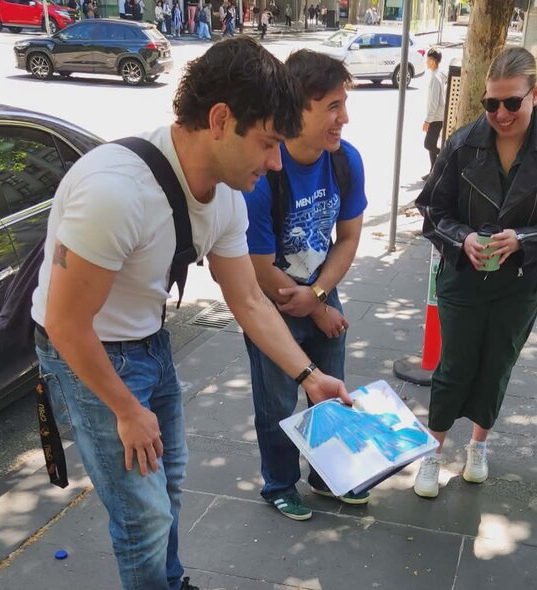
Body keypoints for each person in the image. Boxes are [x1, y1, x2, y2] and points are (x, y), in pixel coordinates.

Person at [31, 37, 351, 590]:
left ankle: (170, 582)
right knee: (143, 513)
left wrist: (310, 375)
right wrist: (127, 409)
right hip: (89, 353)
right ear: (221, 120)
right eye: (269, 144)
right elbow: (64, 325)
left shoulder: (226, 196)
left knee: (169, 486)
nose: (276, 163)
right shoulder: (115, 191)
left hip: (148, 340)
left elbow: (249, 299)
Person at [413, 46, 537, 498]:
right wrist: (463, 238)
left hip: (520, 281)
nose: (501, 113)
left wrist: (523, 240)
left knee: (497, 364)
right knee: (453, 366)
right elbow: (432, 208)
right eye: (492, 103)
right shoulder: (464, 141)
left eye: (512, 102)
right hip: (462, 276)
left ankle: (478, 446)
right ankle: (432, 453)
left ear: (536, 93)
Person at [243, 49, 368, 520]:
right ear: (298, 108)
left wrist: (318, 296)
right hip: (269, 300)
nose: (344, 118)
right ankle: (278, 483)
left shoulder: (344, 161)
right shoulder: (263, 177)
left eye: (344, 104)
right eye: (332, 106)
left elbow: (350, 237)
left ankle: (326, 474)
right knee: (277, 401)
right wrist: (314, 306)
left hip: (319, 289)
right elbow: (255, 266)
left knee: (328, 390)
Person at [422, 47, 447, 180]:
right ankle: (433, 171)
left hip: (436, 118)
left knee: (428, 144)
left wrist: (427, 120)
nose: (426, 62)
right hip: (437, 116)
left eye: (428, 59)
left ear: (433, 61)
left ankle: (446, 160)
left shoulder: (435, 79)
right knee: (431, 145)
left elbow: (434, 103)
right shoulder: (438, 75)